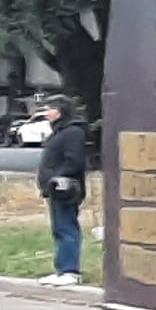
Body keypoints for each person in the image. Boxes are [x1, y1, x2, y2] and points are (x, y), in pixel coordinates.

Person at [36, 101, 91, 282]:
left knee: (67, 227)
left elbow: (74, 161)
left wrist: (55, 177)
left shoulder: (72, 133)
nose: (45, 113)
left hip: (65, 188)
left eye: (49, 109)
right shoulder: (59, 132)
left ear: (59, 112)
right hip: (55, 189)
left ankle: (70, 271)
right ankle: (61, 269)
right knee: (59, 228)